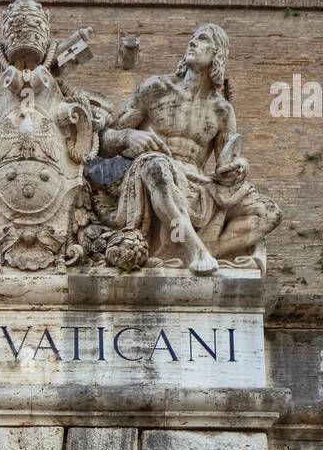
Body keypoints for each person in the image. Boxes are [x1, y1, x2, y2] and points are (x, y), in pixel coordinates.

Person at [99, 23, 281, 273]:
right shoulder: (156, 88)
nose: (192, 43)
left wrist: (240, 166)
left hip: (196, 183)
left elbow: (225, 163)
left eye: (202, 39)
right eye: (192, 39)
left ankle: (200, 251)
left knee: (269, 212)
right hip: (153, 170)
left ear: (217, 54)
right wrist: (128, 136)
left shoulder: (222, 110)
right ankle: (197, 253)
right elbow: (104, 140)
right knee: (157, 167)